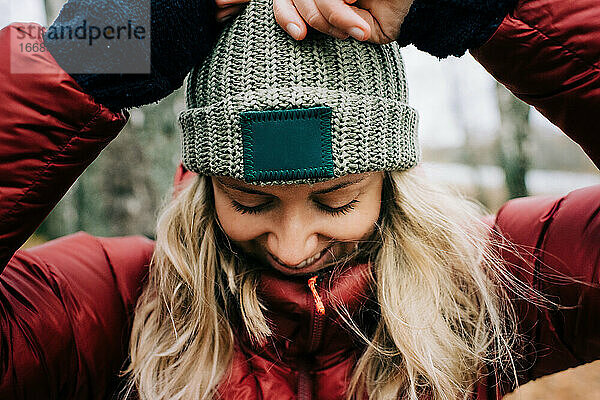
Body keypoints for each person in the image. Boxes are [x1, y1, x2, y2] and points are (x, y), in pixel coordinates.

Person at [0, 0, 597, 399]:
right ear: (206, 184)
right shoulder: (107, 307)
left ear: (390, 182)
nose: (293, 247)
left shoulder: (495, 285)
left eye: (336, 201)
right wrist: (104, 43)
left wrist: (479, 4)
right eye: (251, 202)